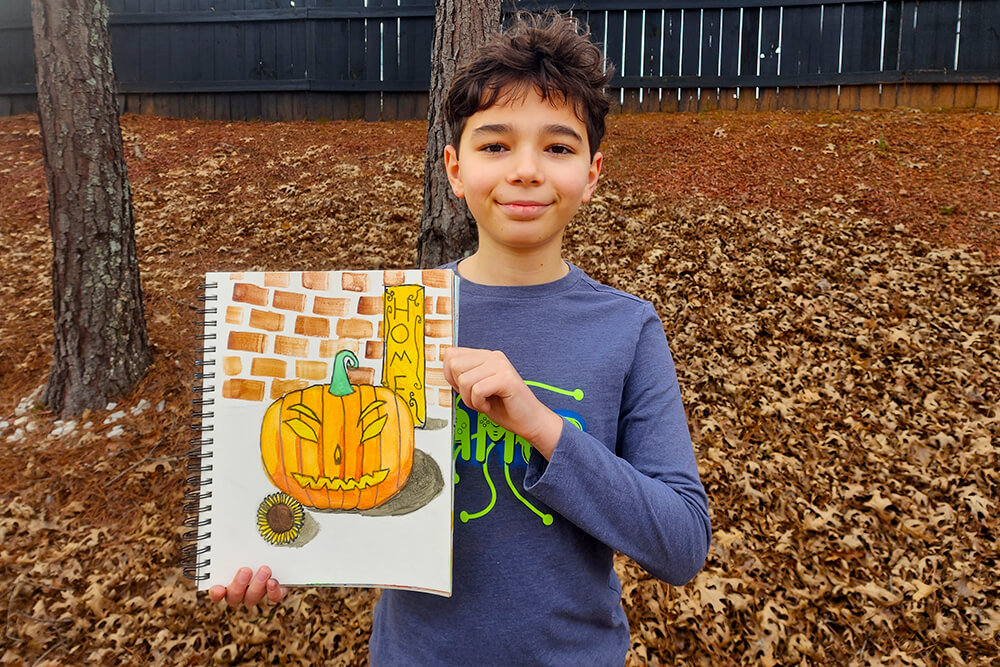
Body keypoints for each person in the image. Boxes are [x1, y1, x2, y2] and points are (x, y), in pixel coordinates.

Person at [210, 12, 711, 664]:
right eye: (495, 144)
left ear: (591, 175)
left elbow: (680, 544)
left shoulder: (626, 328)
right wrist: (282, 549)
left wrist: (541, 425)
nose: (526, 169)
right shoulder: (400, 320)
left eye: (558, 147)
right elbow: (350, 468)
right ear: (453, 168)